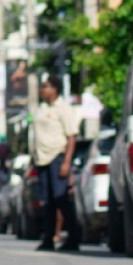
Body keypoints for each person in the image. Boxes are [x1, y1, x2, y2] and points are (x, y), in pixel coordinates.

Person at [30, 74, 81, 252]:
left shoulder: (64, 108)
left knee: (61, 200)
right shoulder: (41, 108)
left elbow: (71, 137)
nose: (42, 89)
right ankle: (48, 238)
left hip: (57, 158)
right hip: (41, 159)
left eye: (45, 86)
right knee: (47, 202)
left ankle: (73, 238)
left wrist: (66, 162)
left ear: (55, 89)